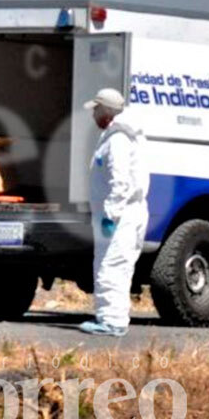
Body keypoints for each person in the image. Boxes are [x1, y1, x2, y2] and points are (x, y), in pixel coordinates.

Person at [80, 88, 149, 337]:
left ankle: (112, 321)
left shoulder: (118, 140)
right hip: (125, 214)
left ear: (106, 112)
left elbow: (120, 183)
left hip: (121, 216)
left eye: (96, 110)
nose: (93, 115)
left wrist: (110, 214)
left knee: (111, 266)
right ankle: (113, 318)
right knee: (117, 267)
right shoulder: (119, 136)